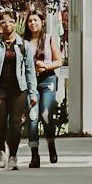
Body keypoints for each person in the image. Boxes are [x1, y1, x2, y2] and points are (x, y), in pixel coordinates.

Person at [0, 10, 38, 171]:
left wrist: (33, 92)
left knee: (16, 124)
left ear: (15, 23)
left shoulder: (24, 46)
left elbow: (30, 71)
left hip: (19, 90)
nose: (7, 25)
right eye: (3, 22)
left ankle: (13, 156)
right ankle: (2, 150)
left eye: (10, 21)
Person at [26, 10, 64, 168]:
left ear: (42, 22)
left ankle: (51, 143)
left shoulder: (49, 39)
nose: (32, 23)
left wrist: (46, 66)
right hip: (31, 82)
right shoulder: (23, 42)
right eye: (30, 21)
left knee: (45, 114)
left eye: (35, 20)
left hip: (48, 80)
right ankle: (34, 155)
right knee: (33, 117)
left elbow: (59, 61)